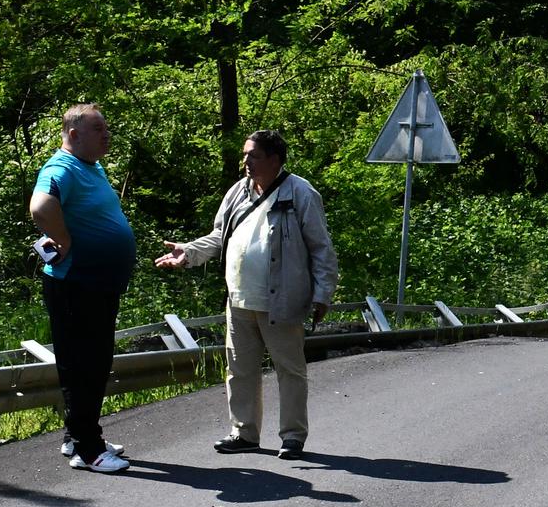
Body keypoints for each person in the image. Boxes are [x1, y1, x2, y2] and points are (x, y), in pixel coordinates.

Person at [155, 130, 338, 460]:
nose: (246, 162)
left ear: (274, 159)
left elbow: (321, 248)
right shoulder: (237, 192)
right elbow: (218, 236)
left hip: (282, 300)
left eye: (253, 155)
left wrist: (323, 294)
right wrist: (188, 252)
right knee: (239, 370)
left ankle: (293, 436)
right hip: (238, 299)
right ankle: (244, 433)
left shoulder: (301, 193)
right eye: (245, 155)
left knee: (290, 370)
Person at [30, 104, 137, 473]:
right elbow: (41, 207)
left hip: (97, 285)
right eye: (98, 128)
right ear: (74, 134)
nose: (107, 134)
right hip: (76, 286)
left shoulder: (91, 166)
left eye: (106, 127)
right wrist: (63, 240)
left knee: (93, 362)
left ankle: (75, 436)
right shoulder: (61, 167)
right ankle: (89, 451)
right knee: (85, 365)